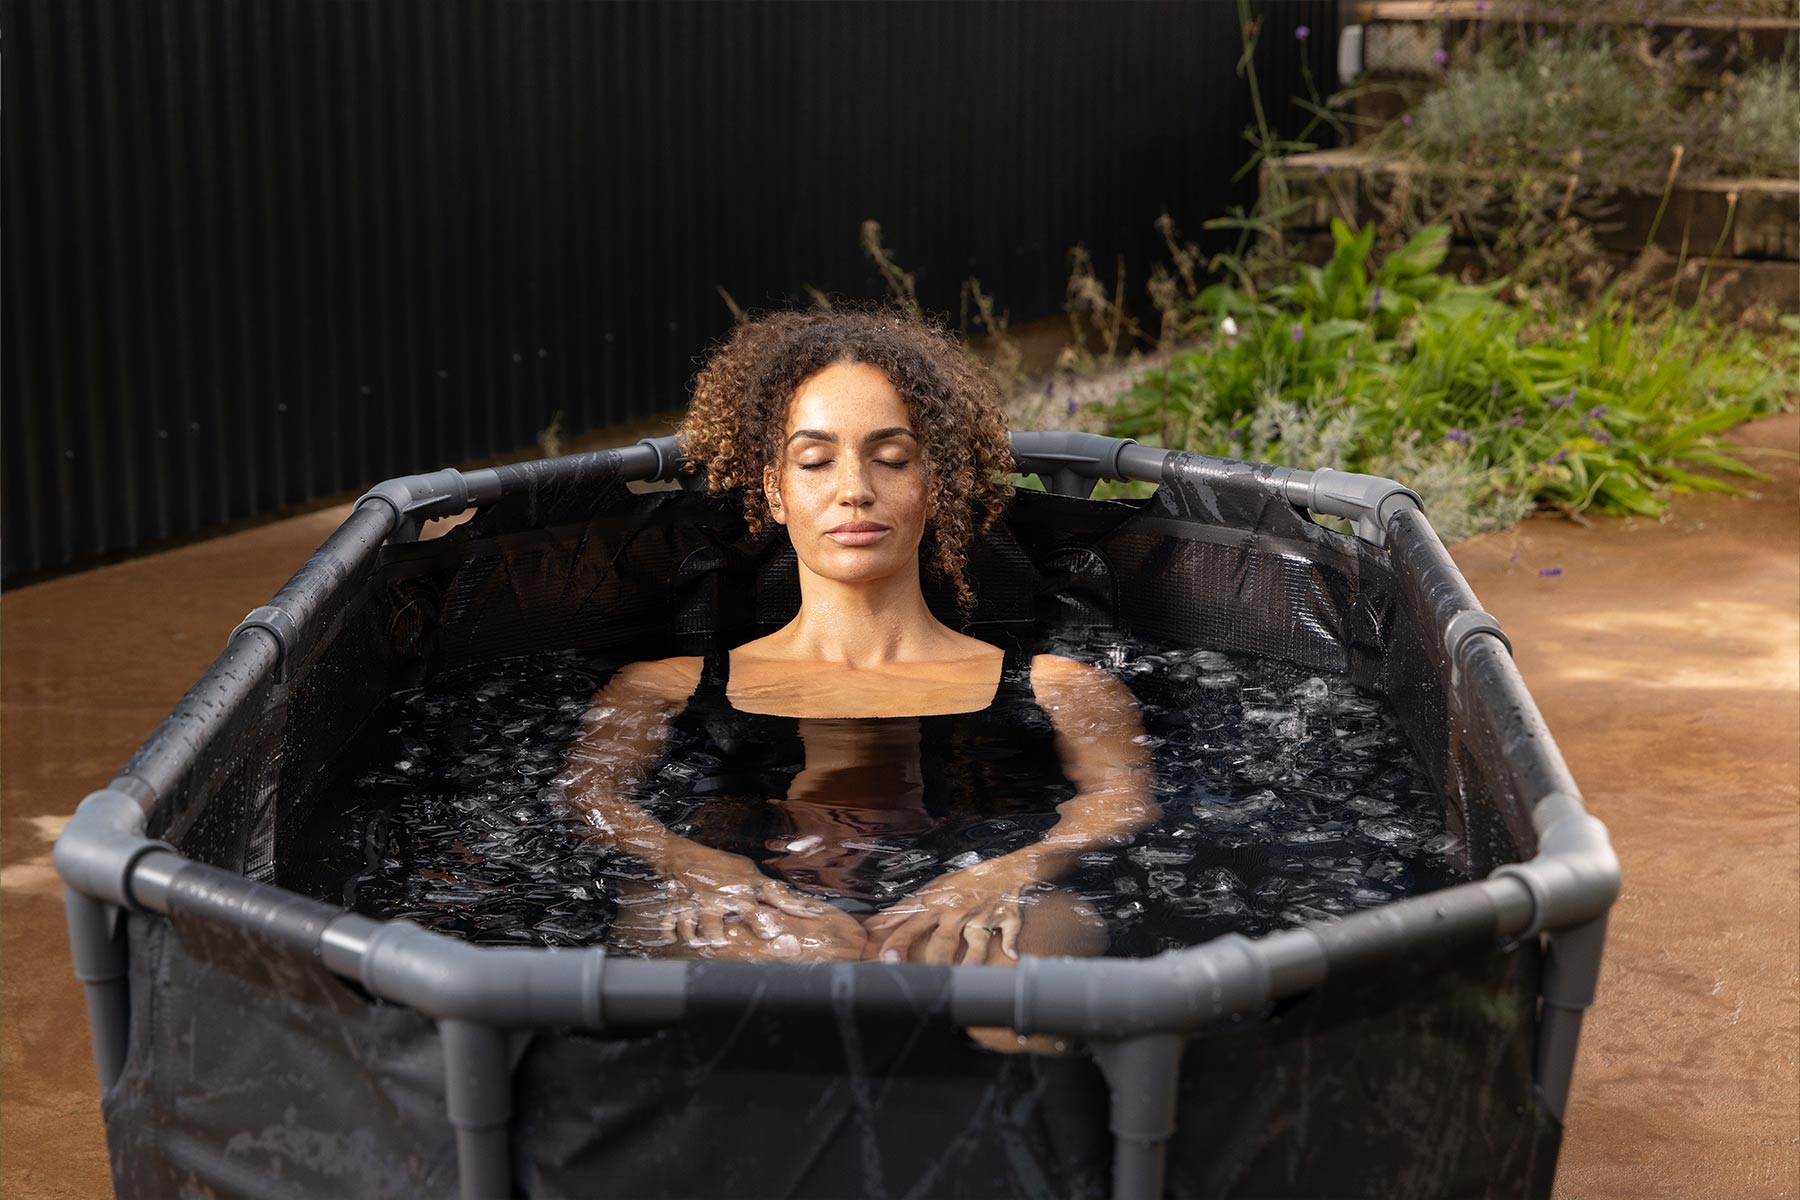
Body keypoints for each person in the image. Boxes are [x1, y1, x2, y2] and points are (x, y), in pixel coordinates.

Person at [561, 309, 1156, 971]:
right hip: (754, 932)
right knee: (662, 915)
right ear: (774, 492)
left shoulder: (1059, 688)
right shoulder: (664, 690)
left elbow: (1120, 801)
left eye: (892, 459)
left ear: (933, 485)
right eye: (815, 461)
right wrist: (695, 864)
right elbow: (592, 799)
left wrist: (1005, 873)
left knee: (1047, 929)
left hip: (979, 937)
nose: (854, 491)